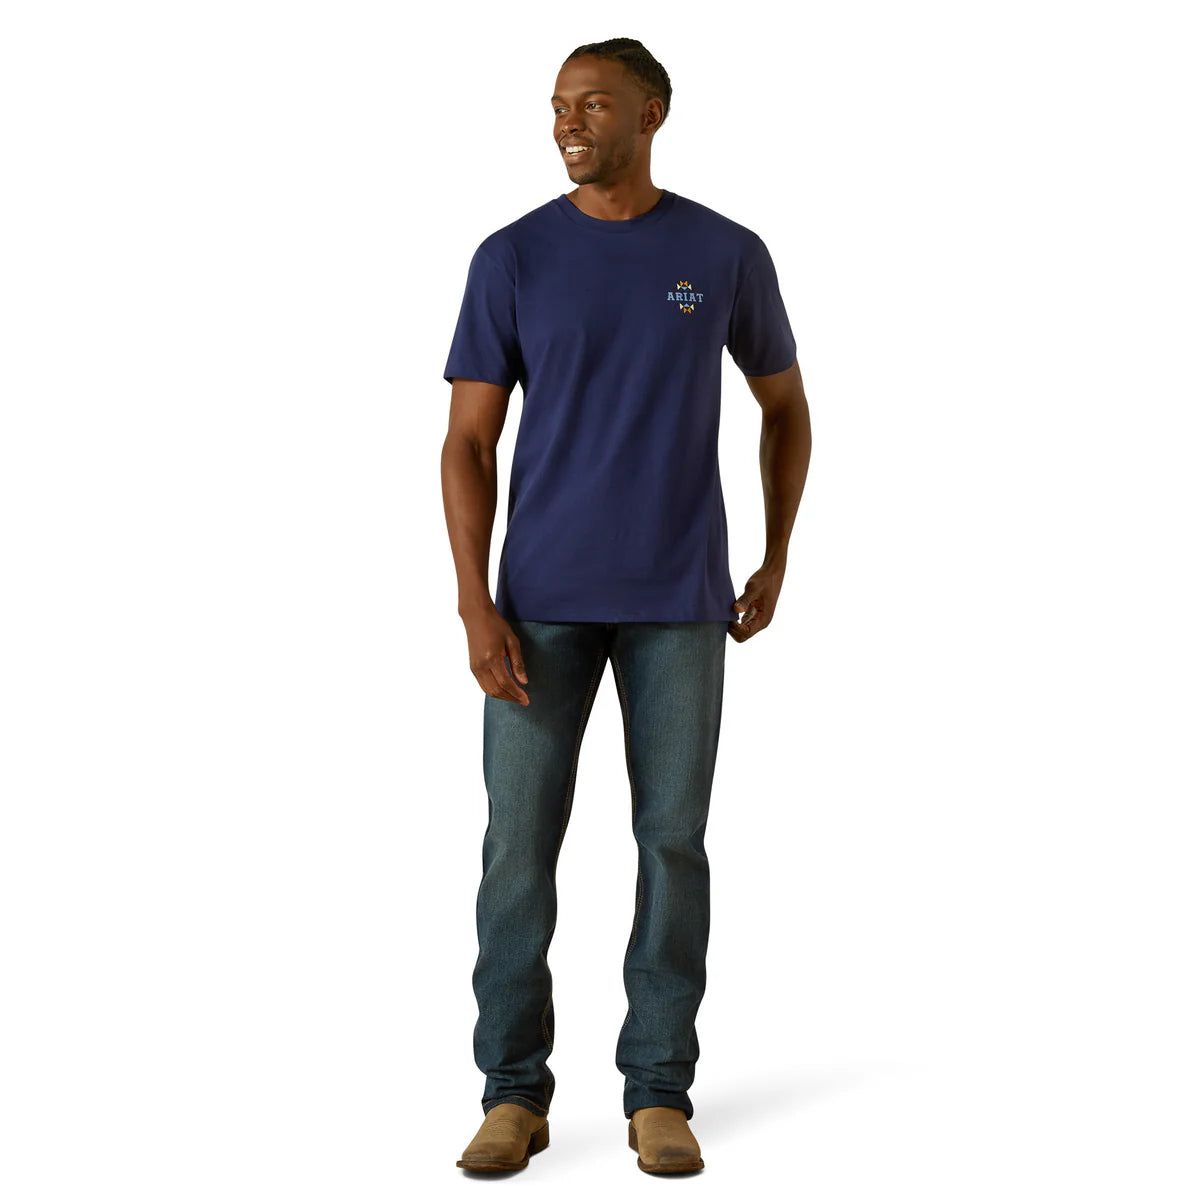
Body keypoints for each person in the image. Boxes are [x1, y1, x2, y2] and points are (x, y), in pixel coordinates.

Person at [441, 37, 811, 1175]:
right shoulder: (512, 256)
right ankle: (513, 1093)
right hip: (537, 609)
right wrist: (474, 604)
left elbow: (787, 406)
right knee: (517, 852)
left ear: (652, 113)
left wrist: (775, 554)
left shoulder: (724, 253)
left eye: (593, 103)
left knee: (672, 844)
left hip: (680, 604)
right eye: (559, 104)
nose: (568, 121)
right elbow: (467, 441)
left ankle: (659, 1091)